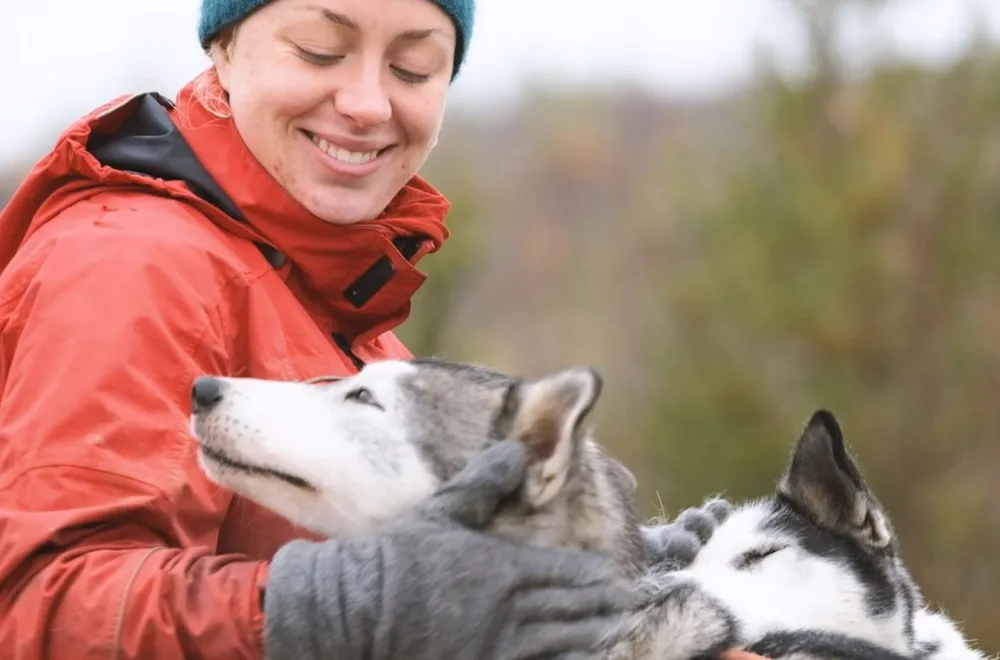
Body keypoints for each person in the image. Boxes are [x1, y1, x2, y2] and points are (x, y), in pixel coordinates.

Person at [0, 0, 640, 657]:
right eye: (318, 51)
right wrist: (344, 606)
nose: (368, 103)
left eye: (414, 69)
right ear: (222, 48)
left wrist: (642, 601)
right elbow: (39, 610)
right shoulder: (132, 263)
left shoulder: (353, 321)